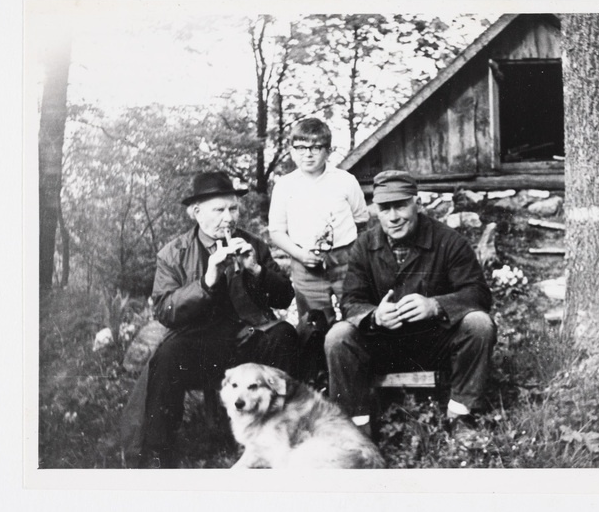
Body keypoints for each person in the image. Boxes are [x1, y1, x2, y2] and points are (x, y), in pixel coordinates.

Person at [121, 171, 299, 468]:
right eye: (219, 210)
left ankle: (277, 436)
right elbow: (164, 310)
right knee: (167, 355)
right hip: (201, 345)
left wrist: (256, 270)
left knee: (283, 335)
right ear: (196, 212)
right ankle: (159, 452)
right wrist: (206, 281)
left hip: (248, 339)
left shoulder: (254, 244)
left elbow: (285, 298)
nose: (228, 218)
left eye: (233, 209)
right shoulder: (173, 253)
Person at [324, 170, 497, 438]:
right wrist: (375, 316)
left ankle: (461, 416)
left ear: (417, 203)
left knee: (479, 324)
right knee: (338, 336)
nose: (393, 217)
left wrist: (435, 305)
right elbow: (351, 301)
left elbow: (479, 294)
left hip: (434, 344)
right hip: (382, 345)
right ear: (376, 211)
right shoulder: (364, 245)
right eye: (385, 208)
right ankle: (356, 427)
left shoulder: (448, 241)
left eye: (401, 206)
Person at [268, 118, 369, 380]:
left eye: (316, 147)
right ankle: (320, 379)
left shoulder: (345, 181)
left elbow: (361, 220)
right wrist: (300, 254)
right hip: (305, 262)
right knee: (314, 323)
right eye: (301, 148)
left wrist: (350, 253)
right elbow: (276, 231)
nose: (308, 154)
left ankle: (359, 374)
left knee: (356, 314)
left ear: (328, 150)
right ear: (291, 151)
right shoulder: (285, 186)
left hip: (346, 259)